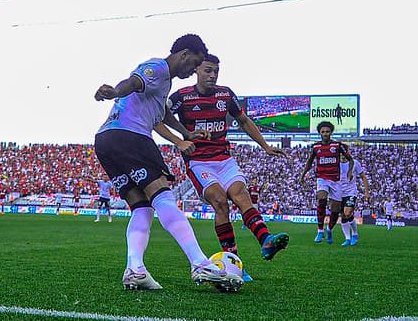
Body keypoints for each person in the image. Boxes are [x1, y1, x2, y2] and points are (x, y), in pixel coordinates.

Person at [94, 33, 241, 291]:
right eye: (193, 63)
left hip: (106, 141)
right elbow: (134, 82)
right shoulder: (159, 68)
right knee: (162, 196)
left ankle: (135, 269)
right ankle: (200, 262)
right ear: (184, 54)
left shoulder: (164, 84)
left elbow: (162, 112)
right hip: (131, 136)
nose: (192, 70)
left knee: (141, 207)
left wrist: (186, 133)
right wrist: (115, 91)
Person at [164, 53, 290, 281]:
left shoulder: (225, 94)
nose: (212, 75)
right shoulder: (182, 97)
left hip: (224, 159)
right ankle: (234, 262)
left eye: (216, 72)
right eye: (208, 70)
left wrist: (265, 146)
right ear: (197, 71)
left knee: (241, 196)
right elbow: (160, 113)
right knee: (220, 201)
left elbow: (244, 121)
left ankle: (266, 241)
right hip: (199, 161)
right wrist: (181, 138)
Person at [298, 121, 352, 244]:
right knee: (321, 198)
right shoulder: (315, 147)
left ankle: (329, 229)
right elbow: (309, 162)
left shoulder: (338, 146)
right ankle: (320, 230)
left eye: (327, 131)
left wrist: (349, 172)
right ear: (320, 133)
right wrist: (302, 175)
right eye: (323, 132)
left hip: (336, 180)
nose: (325, 134)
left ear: (331, 132)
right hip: (322, 178)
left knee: (335, 210)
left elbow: (351, 160)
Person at [339, 156, 369, 246]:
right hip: (339, 192)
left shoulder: (355, 163)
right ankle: (347, 238)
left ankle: (355, 234)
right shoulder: (335, 163)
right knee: (343, 215)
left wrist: (366, 191)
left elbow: (363, 176)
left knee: (347, 213)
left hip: (351, 192)